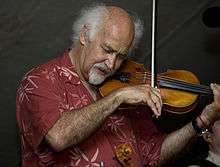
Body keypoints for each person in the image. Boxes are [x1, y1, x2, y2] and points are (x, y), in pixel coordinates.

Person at [16, 4, 220, 167]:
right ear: (85, 35)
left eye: (121, 56)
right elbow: (58, 136)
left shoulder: (128, 92)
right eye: (107, 49)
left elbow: (154, 155)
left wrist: (201, 121)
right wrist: (117, 97)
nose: (112, 64)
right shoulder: (40, 79)